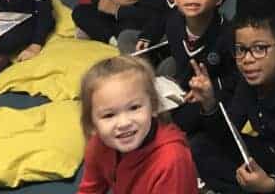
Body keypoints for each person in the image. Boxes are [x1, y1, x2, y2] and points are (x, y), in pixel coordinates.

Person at [187, 12, 275, 194]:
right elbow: (228, 134)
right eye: (240, 50)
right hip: (270, 153)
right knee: (200, 145)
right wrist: (209, 103)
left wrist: (271, 184)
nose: (247, 59)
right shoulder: (248, 82)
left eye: (259, 48)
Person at [77, 55, 198, 194]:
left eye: (134, 108)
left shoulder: (171, 161)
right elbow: (89, 190)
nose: (124, 123)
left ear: (153, 106)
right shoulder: (98, 143)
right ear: (92, 123)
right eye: (109, 115)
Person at [165, 0, 238, 133]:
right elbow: (181, 63)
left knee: (183, 125)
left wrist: (211, 87)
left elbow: (238, 79)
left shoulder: (230, 35)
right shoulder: (173, 24)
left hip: (216, 95)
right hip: (186, 88)